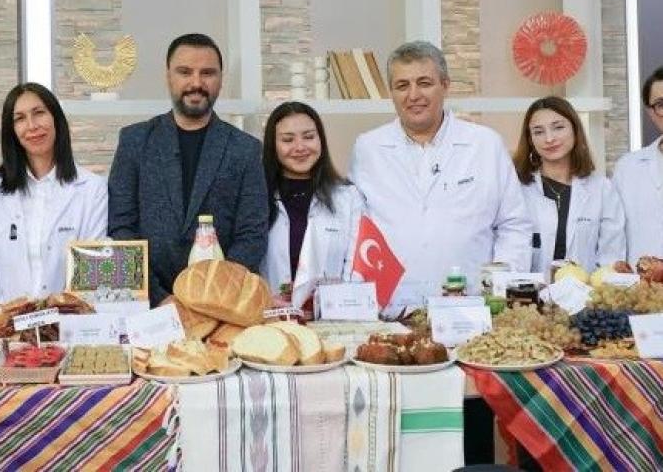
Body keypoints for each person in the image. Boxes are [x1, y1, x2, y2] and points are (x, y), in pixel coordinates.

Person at [348, 41, 531, 306]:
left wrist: (499, 293)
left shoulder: (485, 144)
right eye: (402, 86)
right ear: (391, 92)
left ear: (445, 85)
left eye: (424, 83)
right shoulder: (368, 148)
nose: (413, 95)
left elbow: (513, 225)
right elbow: (355, 230)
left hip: (472, 305)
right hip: (390, 307)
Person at [107, 33, 268, 306]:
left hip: (220, 305)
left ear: (221, 79)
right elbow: (121, 228)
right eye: (185, 72)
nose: (196, 83)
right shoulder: (135, 141)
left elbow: (252, 234)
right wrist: (158, 298)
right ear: (168, 77)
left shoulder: (245, 149)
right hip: (148, 306)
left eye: (207, 73)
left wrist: (215, 294)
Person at [0, 82, 108, 303]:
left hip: (68, 320)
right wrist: (4, 317)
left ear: (56, 118)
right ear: (11, 130)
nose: (32, 126)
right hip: (3, 319)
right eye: (20, 118)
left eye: (39, 113)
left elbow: (92, 273)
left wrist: (60, 314)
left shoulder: (92, 189)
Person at [260, 101, 363, 310]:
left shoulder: (348, 197)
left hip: (331, 318)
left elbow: (355, 267)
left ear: (320, 140)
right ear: (273, 146)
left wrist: (338, 307)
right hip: (269, 318)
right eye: (288, 140)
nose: (300, 147)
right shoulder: (257, 196)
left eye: (308, 137)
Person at [512, 96, 626, 274]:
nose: (549, 138)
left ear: (575, 129)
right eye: (538, 132)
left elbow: (611, 258)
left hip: (588, 290)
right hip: (528, 291)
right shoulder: (517, 189)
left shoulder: (602, 189)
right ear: (530, 139)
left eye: (558, 127)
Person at [613, 66, 663, 266]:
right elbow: (613, 234)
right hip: (640, 282)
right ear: (651, 112)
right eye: (661, 104)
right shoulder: (628, 167)